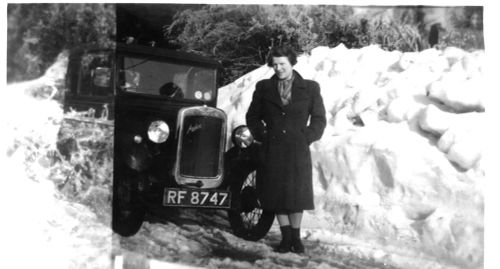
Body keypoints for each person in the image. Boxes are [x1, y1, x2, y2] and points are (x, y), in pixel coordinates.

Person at [246, 46, 326, 253]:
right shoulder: (263, 87)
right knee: (276, 194)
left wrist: (307, 136)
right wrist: (263, 135)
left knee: (295, 194)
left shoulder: (310, 88)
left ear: (292, 63)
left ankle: (296, 239)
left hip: (297, 148)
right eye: (275, 64)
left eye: (283, 64)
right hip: (272, 148)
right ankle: (285, 237)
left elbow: (319, 118)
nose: (279, 68)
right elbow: (252, 117)